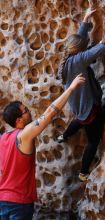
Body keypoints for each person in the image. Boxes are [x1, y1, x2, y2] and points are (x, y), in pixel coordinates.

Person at [0, 74, 85, 220]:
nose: (30, 112)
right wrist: (71, 88)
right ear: (19, 120)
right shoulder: (23, 135)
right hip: (19, 203)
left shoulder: (3, 138)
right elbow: (49, 114)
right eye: (26, 111)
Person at [57, 7, 105, 182]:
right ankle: (83, 172)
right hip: (88, 106)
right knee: (93, 140)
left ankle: (63, 135)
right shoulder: (80, 59)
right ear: (79, 50)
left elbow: (79, 39)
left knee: (79, 118)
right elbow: (98, 49)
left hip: (77, 103)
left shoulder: (66, 60)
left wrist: (86, 18)